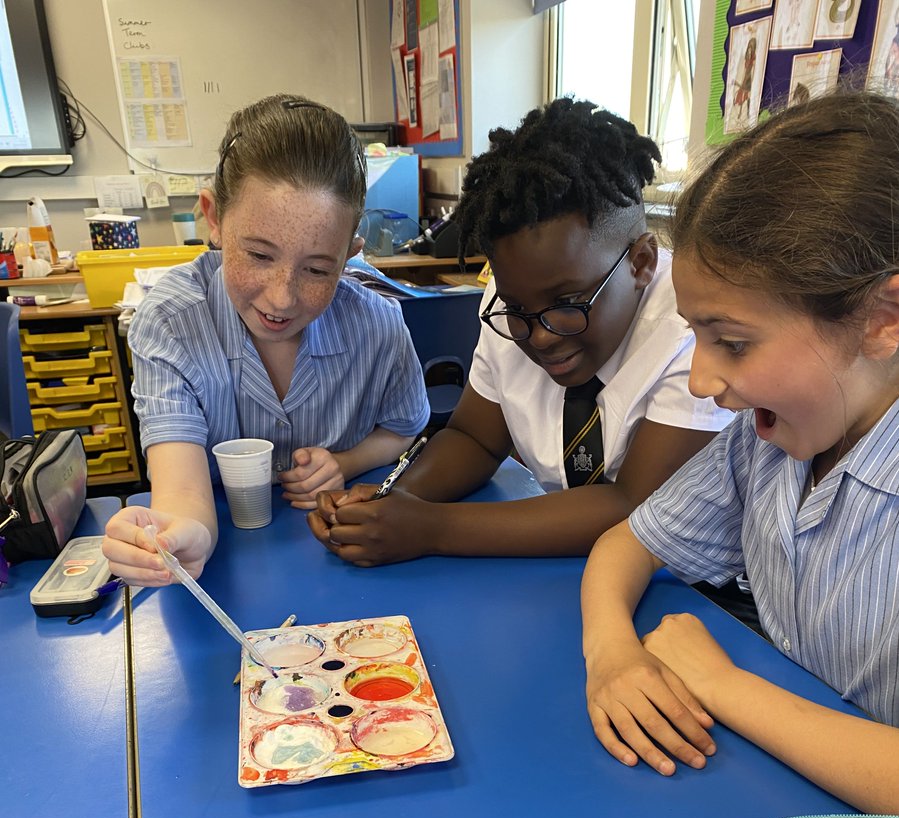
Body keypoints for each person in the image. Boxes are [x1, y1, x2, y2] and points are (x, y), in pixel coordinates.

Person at [581, 90, 899, 816]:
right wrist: (611, 653)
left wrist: (723, 685)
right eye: (696, 335)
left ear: (882, 321)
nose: (701, 379)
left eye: (732, 342)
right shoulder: (767, 442)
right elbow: (626, 544)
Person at [307, 98, 732, 567]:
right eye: (517, 308)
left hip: (691, 583)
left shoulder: (693, 329)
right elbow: (475, 437)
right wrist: (396, 499)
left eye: (567, 304)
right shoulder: (515, 299)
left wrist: (431, 528)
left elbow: (633, 506)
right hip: (569, 567)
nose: (542, 336)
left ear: (641, 263)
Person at [103, 94, 429, 585]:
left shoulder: (378, 325)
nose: (281, 298)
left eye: (317, 270)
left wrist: (346, 462)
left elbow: (404, 429)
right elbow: (182, 489)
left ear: (350, 254)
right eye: (258, 255)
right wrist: (181, 537)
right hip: (231, 564)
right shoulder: (171, 324)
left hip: (350, 564)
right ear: (214, 218)